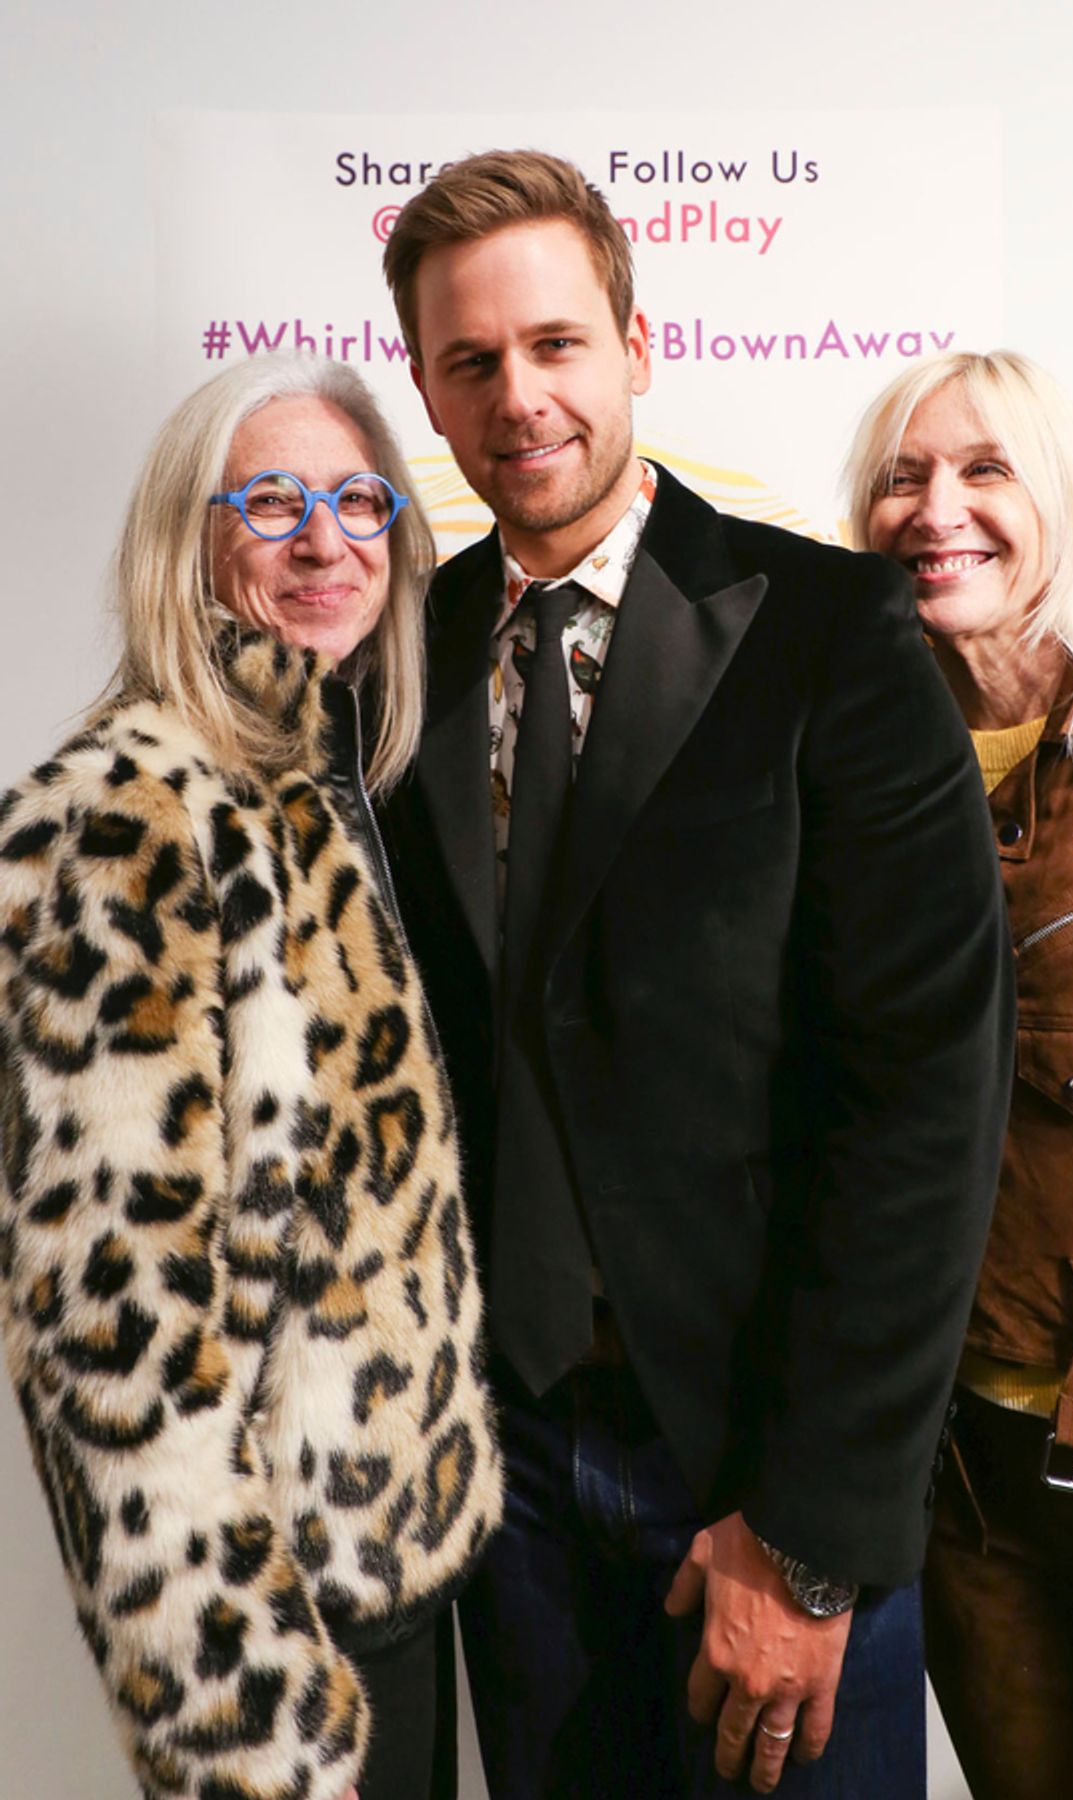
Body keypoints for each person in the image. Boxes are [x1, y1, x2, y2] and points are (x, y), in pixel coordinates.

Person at [377, 149, 1013, 1799]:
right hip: (504, 1485)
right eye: (471, 362)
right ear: (431, 394)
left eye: (557, 344)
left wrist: (805, 1543)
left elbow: (927, 1097)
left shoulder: (837, 634)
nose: (520, 397)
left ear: (639, 348)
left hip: (765, 1468)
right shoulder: (395, 656)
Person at [0, 354, 503, 1800]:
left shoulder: (329, 778)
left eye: (359, 501)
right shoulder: (124, 815)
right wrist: (240, 1703)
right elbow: (111, 1322)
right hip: (284, 1617)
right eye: (272, 501)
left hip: (390, 1546)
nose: (327, 539)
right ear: (191, 536)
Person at [846, 347, 1073, 1799]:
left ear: (1061, 498)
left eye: (985, 469)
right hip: (966, 1482)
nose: (939, 508)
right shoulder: (840, 752)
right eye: (902, 477)